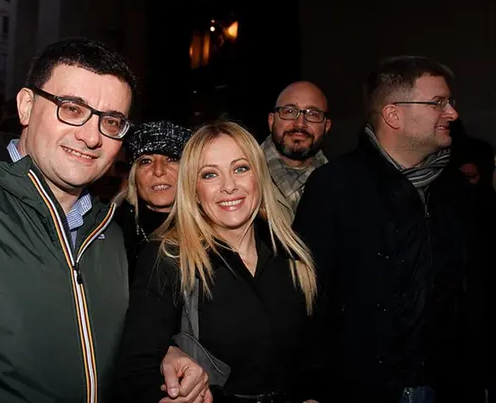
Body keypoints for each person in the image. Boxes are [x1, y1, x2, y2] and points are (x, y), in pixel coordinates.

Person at [0, 38, 209, 403]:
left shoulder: (109, 231)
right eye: (72, 109)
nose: (92, 136)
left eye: (111, 121)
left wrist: (163, 357)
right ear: (27, 106)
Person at [294, 56, 485, 403]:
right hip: (362, 389)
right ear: (393, 115)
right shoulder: (335, 186)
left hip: (449, 386)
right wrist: (312, 386)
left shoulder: (458, 191)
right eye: (437, 103)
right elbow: (307, 296)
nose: (452, 114)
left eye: (450, 102)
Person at [115, 121, 320, 403]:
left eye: (240, 168)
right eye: (210, 174)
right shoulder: (170, 257)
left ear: (259, 175)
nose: (228, 186)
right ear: (194, 189)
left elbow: (316, 351)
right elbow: (135, 372)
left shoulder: (291, 251)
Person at [114, 120, 193, 278]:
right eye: (146, 161)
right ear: (134, 176)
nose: (158, 171)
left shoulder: (212, 231)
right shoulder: (110, 231)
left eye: (171, 159)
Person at [262, 81, 331, 214]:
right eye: (289, 111)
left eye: (312, 114)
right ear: (271, 121)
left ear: (326, 126)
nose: (300, 124)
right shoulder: (244, 179)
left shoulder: (341, 186)